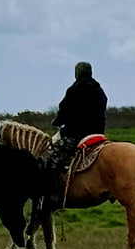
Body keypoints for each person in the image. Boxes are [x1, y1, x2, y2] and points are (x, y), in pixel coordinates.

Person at [43, 61, 108, 206]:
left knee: (51, 159)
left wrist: (57, 121)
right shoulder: (99, 89)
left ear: (77, 73)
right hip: (98, 133)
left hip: (77, 134)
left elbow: (64, 110)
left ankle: (53, 195)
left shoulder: (74, 89)